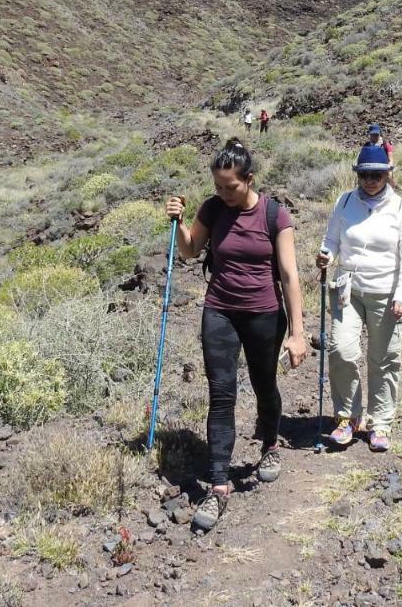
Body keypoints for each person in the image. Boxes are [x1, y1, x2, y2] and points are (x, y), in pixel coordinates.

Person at [164, 139, 307, 531]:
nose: (225, 194)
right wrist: (177, 225)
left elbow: (291, 276)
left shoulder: (275, 215)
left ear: (249, 180)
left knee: (264, 385)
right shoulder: (212, 209)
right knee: (221, 392)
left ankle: (271, 445)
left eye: (232, 187)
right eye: (219, 187)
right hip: (220, 311)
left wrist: (298, 332)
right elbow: (191, 251)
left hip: (264, 313)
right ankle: (219, 482)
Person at [316, 143, 402, 453]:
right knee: (341, 351)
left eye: (377, 175)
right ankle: (347, 417)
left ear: (387, 175)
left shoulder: (401, 208)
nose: (371, 181)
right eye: (364, 175)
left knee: (383, 359)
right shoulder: (345, 201)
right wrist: (327, 255)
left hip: (386, 295)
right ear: (357, 175)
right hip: (348, 290)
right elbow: (331, 239)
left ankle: (380, 423)